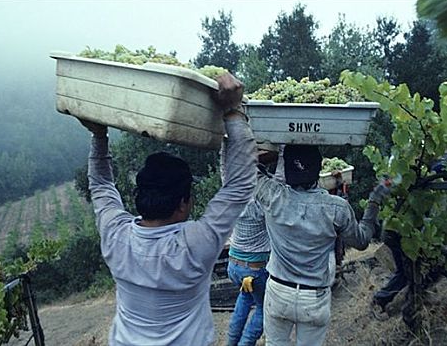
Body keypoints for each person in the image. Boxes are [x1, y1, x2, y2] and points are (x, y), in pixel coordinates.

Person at [80, 73, 257, 346]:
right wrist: (232, 111)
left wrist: (98, 134)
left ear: (139, 195)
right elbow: (240, 184)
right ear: (183, 203)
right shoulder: (195, 244)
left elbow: (101, 184)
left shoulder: (116, 235)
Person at [255, 144, 390, 346]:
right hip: (314, 297)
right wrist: (374, 202)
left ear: (286, 169)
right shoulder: (336, 208)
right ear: (319, 169)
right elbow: (362, 242)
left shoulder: (272, 195)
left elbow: (245, 167)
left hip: (279, 292)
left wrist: (273, 150)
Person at [226, 179, 270, 345]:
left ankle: (231, 342)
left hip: (234, 267)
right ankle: (246, 343)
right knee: (263, 307)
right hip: (253, 270)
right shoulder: (261, 207)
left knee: (245, 298)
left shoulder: (234, 200)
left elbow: (225, 173)